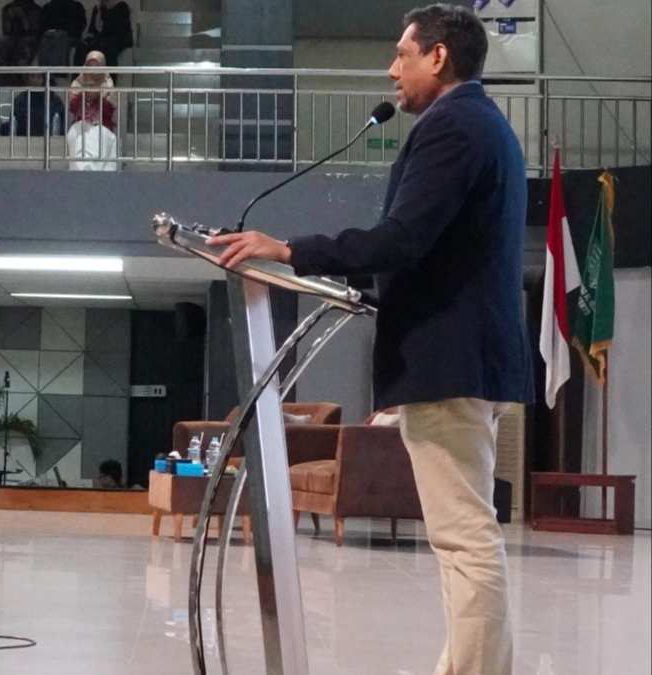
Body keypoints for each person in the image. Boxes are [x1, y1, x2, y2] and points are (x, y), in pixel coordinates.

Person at [207, 6, 532, 673]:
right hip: (467, 358)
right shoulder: (481, 124)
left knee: (465, 540)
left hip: (449, 362)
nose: (391, 70)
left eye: (401, 54)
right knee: (464, 539)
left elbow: (401, 240)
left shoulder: (454, 125)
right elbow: (439, 252)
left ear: (438, 56)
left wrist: (290, 250)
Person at [66, 50, 117, 170]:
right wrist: (83, 94)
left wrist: (99, 96)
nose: (93, 70)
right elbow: (73, 107)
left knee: (97, 136)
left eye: (96, 66)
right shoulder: (77, 84)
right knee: (78, 135)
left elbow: (110, 110)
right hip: (81, 124)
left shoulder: (108, 84)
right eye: (90, 66)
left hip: (102, 125)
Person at [0, 0, 40, 86]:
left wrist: (23, 17)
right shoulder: (8, 8)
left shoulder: (35, 10)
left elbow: (33, 31)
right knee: (2, 42)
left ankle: (22, 80)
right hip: (11, 40)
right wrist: (9, 18)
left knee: (25, 45)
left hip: (28, 41)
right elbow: (6, 31)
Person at [1, 71, 65, 136]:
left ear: (44, 79)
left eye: (39, 77)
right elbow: (14, 120)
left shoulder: (53, 99)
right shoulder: (21, 99)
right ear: (28, 79)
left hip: (49, 137)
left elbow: (60, 122)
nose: (35, 80)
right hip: (24, 138)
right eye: (32, 76)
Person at [77, 0, 130, 69]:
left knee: (104, 48)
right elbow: (92, 29)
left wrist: (104, 10)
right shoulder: (97, 8)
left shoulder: (121, 7)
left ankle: (107, 74)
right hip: (100, 39)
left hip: (117, 38)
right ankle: (80, 74)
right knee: (81, 47)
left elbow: (116, 29)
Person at [37, 0, 84, 67]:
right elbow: (41, 28)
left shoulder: (76, 7)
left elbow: (79, 28)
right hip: (49, 40)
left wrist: (64, 35)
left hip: (69, 40)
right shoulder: (48, 7)